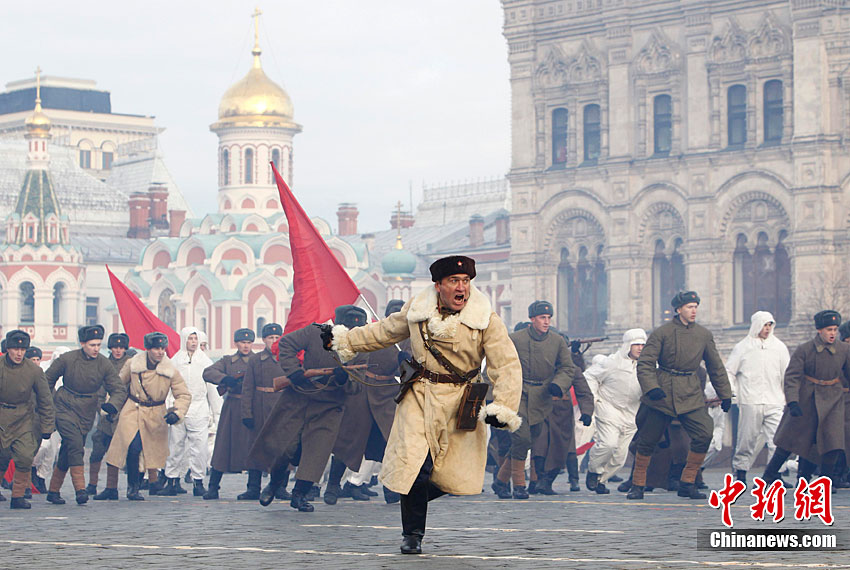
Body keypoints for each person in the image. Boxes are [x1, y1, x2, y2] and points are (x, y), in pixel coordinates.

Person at [325, 255, 521, 555]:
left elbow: (505, 364)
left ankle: (411, 498)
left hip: (463, 400)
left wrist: (503, 406)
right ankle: (412, 534)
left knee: (453, 475)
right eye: (454, 281)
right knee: (415, 465)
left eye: (466, 281)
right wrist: (344, 339)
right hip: (420, 394)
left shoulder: (486, 319)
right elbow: (384, 331)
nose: (462, 288)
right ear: (439, 285)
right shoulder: (417, 310)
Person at [629, 291, 732, 500]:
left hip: (690, 391)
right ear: (678, 310)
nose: (693, 311)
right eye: (689, 307)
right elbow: (646, 363)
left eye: (695, 306)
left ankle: (688, 482)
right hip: (662, 391)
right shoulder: (662, 333)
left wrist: (725, 393)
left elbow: (715, 366)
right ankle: (637, 484)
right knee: (648, 439)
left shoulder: (703, 335)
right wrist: (652, 388)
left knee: (704, 432)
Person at [248, 317, 356, 512]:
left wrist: (344, 379)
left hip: (330, 406)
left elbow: (357, 386)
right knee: (286, 448)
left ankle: (299, 495)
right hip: (301, 398)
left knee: (316, 453)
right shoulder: (316, 332)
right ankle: (274, 484)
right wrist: (294, 372)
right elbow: (287, 344)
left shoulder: (361, 344)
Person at [493, 300, 575, 499]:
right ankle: (519, 485)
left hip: (542, 397)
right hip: (518, 393)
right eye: (542, 318)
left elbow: (567, 367)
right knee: (522, 438)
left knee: (530, 439)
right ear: (532, 319)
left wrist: (559, 384)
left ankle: (500, 481)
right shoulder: (515, 339)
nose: (546, 322)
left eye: (548, 318)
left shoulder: (557, 342)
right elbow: (500, 361)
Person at [762, 310, 850, 484]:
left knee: (833, 440)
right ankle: (770, 474)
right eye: (828, 330)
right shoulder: (805, 349)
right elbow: (792, 377)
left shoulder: (844, 349)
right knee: (791, 440)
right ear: (819, 330)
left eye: (834, 330)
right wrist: (793, 401)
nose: (832, 333)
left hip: (833, 399)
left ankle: (826, 479)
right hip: (807, 399)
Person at [102, 332, 191, 500]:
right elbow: (119, 385)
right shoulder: (133, 363)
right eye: (156, 348)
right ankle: (132, 488)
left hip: (155, 413)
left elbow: (184, 395)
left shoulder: (170, 369)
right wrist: (112, 406)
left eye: (162, 348)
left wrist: (177, 412)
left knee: (147, 451)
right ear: (148, 349)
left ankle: (146, 483)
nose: (160, 352)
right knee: (130, 447)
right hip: (132, 409)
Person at [45, 325, 126, 505]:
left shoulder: (104, 363)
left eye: (98, 344)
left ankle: (53, 491)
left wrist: (112, 405)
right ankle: (80, 490)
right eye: (92, 345)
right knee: (75, 444)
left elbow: (118, 388)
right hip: (64, 406)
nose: (96, 348)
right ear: (82, 344)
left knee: (69, 448)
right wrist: (50, 405)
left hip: (87, 411)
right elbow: (47, 380)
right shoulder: (67, 359)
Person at [725, 311, 789, 483]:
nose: (767, 329)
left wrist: (788, 397)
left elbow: (787, 374)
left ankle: (775, 474)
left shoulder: (779, 348)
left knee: (778, 439)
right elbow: (729, 371)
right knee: (747, 440)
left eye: (769, 325)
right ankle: (740, 473)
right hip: (749, 400)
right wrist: (732, 393)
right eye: (764, 325)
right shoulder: (742, 347)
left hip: (775, 400)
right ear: (756, 325)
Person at [325, 305, 379, 505]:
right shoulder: (329, 343)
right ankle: (320, 486)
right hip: (331, 398)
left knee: (352, 444)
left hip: (361, 399)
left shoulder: (370, 345)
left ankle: (338, 485)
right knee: (332, 445)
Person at [584, 329, 646, 494]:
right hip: (609, 407)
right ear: (628, 345)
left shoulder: (648, 365)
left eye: (642, 344)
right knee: (608, 444)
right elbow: (589, 376)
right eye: (636, 344)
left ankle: (600, 481)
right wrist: (595, 399)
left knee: (619, 456)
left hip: (632, 413)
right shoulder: (611, 362)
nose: (640, 348)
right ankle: (593, 470)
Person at [0, 331, 55, 509]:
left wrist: (47, 425)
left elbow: (45, 399)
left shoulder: (34, 371)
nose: (19, 353)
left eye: (23, 349)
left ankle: (18, 495)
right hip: (1, 416)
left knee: (25, 456)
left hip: (24, 417)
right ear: (8, 349)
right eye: (15, 349)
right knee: (2, 456)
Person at [158, 327, 214, 497]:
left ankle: (198, 481)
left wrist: (215, 413)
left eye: (195, 339)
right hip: (178, 409)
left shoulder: (206, 363)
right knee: (175, 446)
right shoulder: (174, 362)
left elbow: (212, 390)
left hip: (199, 409)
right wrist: (169, 407)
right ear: (184, 340)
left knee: (200, 448)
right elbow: (168, 388)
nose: (193, 342)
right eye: (190, 338)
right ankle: (172, 480)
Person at [201, 328, 256, 499]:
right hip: (232, 405)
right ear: (236, 343)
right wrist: (225, 379)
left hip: (252, 406)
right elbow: (208, 372)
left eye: (248, 342)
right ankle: (213, 487)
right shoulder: (227, 361)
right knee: (223, 447)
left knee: (254, 447)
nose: (245, 346)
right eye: (242, 342)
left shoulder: (258, 361)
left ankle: (253, 487)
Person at [238, 323, 284, 500]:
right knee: (256, 449)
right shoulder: (256, 360)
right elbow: (247, 388)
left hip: (281, 407)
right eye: (270, 338)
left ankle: (279, 486)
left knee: (281, 449)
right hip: (260, 408)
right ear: (263, 340)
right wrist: (247, 414)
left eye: (276, 338)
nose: (273, 341)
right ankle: (253, 487)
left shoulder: (286, 358)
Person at [89, 333, 135, 496]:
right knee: (98, 449)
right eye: (115, 347)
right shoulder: (103, 364)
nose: (118, 350)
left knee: (121, 452)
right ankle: (92, 484)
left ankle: (114, 487)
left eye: (121, 347)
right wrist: (102, 409)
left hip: (124, 415)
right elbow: (98, 390)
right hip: (105, 414)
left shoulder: (130, 364)